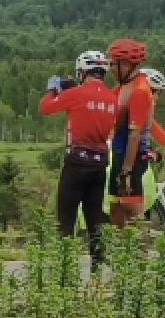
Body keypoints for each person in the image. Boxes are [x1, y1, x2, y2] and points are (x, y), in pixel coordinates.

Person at [38, 50, 118, 267]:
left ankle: (64, 269)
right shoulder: (113, 98)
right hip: (100, 163)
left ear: (83, 72)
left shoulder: (76, 94)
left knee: (66, 217)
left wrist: (53, 88)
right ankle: (98, 268)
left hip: (76, 163)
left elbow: (45, 108)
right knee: (94, 218)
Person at [106, 39, 165, 227]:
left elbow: (137, 135)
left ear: (128, 65)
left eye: (115, 64)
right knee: (118, 213)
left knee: (132, 216)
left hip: (129, 161)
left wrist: (126, 172)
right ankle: (122, 253)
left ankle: (142, 253)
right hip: (118, 157)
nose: (111, 68)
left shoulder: (139, 92)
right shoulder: (123, 87)